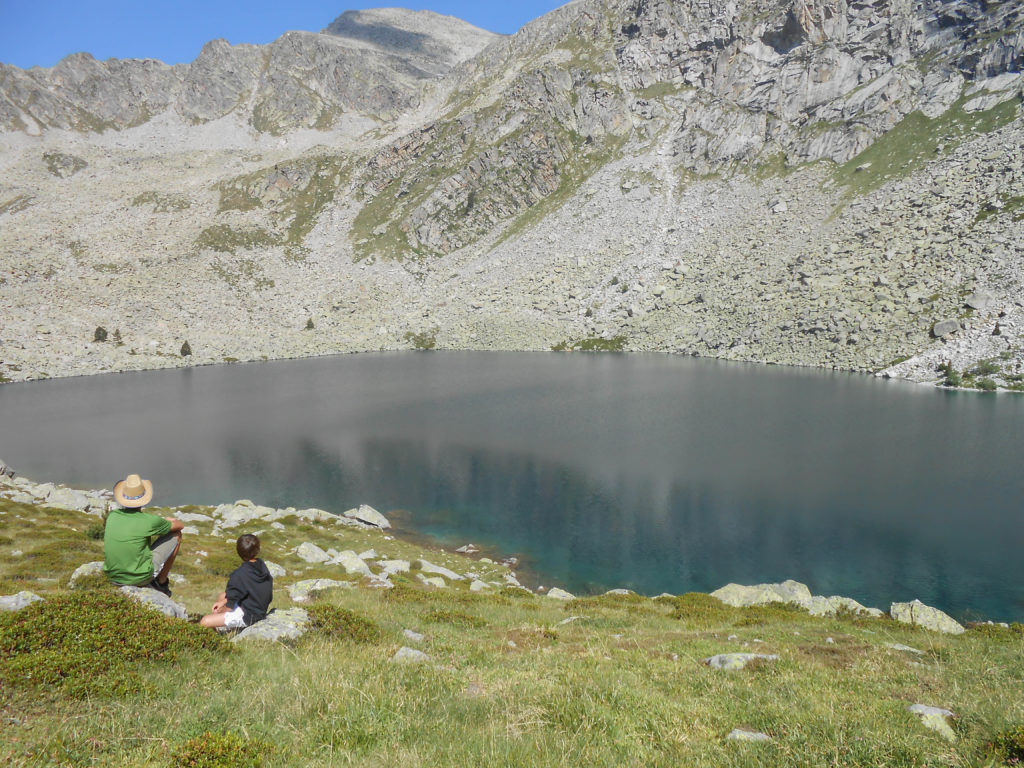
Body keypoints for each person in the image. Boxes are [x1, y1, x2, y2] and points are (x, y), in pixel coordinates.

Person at [103, 473, 183, 596]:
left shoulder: (112, 516)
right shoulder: (149, 521)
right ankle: (161, 582)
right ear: (144, 498)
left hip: (113, 577)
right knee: (177, 535)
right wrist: (168, 520)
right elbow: (180, 525)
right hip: (140, 578)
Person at [200, 533, 273, 631]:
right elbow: (243, 590)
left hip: (249, 615)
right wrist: (223, 601)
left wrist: (221, 609)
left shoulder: (239, 574)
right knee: (222, 596)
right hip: (259, 607)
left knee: (205, 621)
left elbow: (230, 604)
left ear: (239, 552)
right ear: (257, 549)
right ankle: (226, 626)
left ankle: (215, 640)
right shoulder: (261, 564)